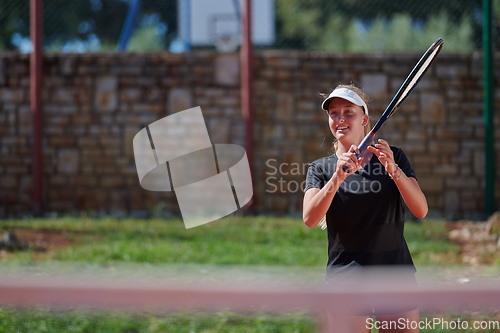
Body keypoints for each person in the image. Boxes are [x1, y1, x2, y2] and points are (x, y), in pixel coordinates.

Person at [302, 84, 428, 333]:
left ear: (365, 119)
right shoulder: (320, 169)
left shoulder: (394, 156)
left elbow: (421, 210)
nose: (340, 119)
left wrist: (394, 170)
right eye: (334, 113)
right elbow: (309, 217)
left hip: (394, 274)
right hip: (346, 280)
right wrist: (338, 177)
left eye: (348, 111)